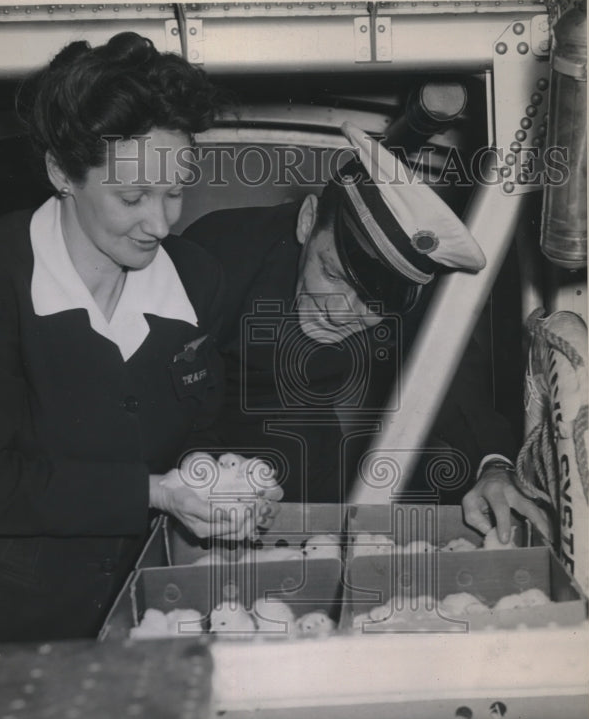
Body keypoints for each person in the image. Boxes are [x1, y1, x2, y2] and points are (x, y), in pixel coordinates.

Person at [0, 32, 277, 645]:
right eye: (133, 196)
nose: (160, 224)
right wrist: (156, 492)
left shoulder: (197, 276)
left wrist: (221, 478)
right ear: (62, 172)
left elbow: (201, 425)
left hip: (139, 607)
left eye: (175, 192)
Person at [184, 123, 552, 542]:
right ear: (306, 222)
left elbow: (446, 364)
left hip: (304, 422)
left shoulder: (398, 293)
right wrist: (208, 469)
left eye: (372, 306)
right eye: (333, 275)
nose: (344, 314)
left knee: (319, 536)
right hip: (201, 412)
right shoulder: (216, 255)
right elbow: (157, 397)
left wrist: (495, 466)